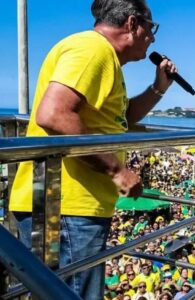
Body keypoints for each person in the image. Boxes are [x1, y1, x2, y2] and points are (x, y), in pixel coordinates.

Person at [9, 0, 176, 298]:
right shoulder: (93, 51)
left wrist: (158, 87)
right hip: (67, 206)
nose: (152, 38)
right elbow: (54, 114)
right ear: (132, 23)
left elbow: (121, 118)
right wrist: (117, 171)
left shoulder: (103, 56)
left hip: (71, 205)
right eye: (151, 28)